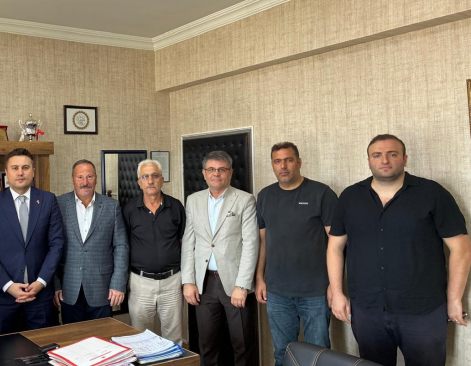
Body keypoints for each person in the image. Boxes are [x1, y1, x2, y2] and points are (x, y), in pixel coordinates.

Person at [328, 134, 471, 366]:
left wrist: (454, 299)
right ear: (368, 161)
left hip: (423, 310)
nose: (384, 160)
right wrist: (337, 293)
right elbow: (335, 247)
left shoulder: (432, 193)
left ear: (404, 158)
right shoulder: (350, 197)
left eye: (392, 154)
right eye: (377, 155)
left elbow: (461, 248)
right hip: (367, 309)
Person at [254, 142, 337, 366]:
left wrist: (334, 285)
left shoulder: (322, 193)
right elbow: (263, 241)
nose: (283, 166)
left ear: (299, 162)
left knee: (318, 355)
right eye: (277, 161)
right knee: (282, 353)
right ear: (272, 165)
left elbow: (336, 243)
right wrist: (260, 278)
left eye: (288, 160)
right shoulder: (265, 196)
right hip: (277, 292)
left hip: (315, 292)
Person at [182, 150, 259, 366]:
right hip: (204, 284)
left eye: (222, 169)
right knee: (207, 344)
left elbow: (251, 244)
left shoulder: (245, 200)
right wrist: (188, 281)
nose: (216, 174)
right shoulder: (193, 200)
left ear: (230, 172)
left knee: (242, 343)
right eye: (212, 169)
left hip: (235, 283)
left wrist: (242, 285)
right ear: (204, 173)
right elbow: (189, 242)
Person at [0, 148, 64, 335]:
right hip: (3, 297)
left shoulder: (48, 200)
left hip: (40, 295)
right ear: (6, 172)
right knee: (2, 350)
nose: (20, 172)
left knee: (42, 347)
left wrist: (41, 281)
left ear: (33, 171)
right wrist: (8, 285)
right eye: (14, 168)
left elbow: (56, 244)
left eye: (25, 167)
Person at [53, 160, 129, 323]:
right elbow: (51, 247)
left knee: (102, 336)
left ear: (96, 179)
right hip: (69, 287)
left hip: (102, 287)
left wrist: (118, 283)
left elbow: (121, 246)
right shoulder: (59, 204)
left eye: (89, 176)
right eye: (80, 177)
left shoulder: (111, 206)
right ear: (72, 179)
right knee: (72, 336)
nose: (85, 182)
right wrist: (56, 285)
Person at [122, 159, 185, 344]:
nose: (150, 180)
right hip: (141, 283)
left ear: (162, 179)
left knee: (173, 339)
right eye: (145, 177)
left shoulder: (176, 206)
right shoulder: (129, 209)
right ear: (139, 182)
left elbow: (184, 242)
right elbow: (123, 245)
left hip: (172, 282)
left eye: (155, 176)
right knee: (141, 339)